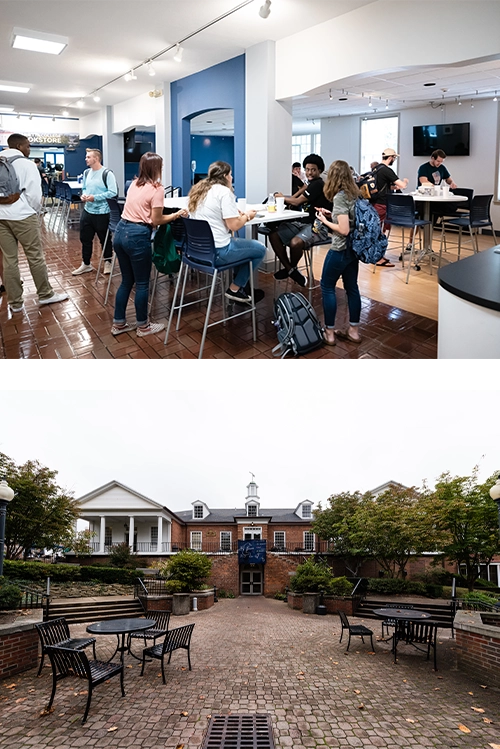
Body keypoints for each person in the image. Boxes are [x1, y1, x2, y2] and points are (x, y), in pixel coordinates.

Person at [111, 152, 187, 338]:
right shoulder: (157, 189)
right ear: (156, 169)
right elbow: (157, 220)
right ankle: (143, 326)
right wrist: (177, 215)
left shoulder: (133, 184)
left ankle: (119, 323)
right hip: (137, 236)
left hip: (120, 232)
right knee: (143, 283)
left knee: (127, 281)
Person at [0, 133, 68, 313]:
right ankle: (45, 294)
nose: (29, 149)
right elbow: (35, 196)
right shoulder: (27, 165)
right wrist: (32, 210)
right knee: (35, 256)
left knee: (9, 260)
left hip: (1, 217)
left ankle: (15, 303)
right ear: (20, 146)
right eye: (28, 146)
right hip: (23, 216)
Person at [188, 160, 266, 304]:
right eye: (230, 175)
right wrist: (248, 216)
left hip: (196, 252)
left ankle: (241, 290)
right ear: (225, 176)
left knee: (241, 248)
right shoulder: (224, 192)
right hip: (218, 253)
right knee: (260, 249)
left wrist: (233, 214)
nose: (232, 178)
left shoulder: (199, 191)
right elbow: (234, 226)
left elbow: (213, 217)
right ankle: (235, 288)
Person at [315, 160, 362, 347]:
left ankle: (330, 332)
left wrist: (324, 222)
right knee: (352, 288)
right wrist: (330, 215)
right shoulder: (356, 194)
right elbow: (349, 221)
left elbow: (343, 230)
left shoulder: (340, 197)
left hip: (340, 249)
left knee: (327, 286)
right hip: (353, 251)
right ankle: (354, 331)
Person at [270, 154, 333, 286]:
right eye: (307, 169)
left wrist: (281, 197)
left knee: (295, 243)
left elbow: (298, 201)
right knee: (274, 235)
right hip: (303, 223)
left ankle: (291, 268)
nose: (309, 172)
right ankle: (291, 270)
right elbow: (297, 197)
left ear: (320, 171)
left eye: (313, 169)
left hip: (318, 226)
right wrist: (295, 193)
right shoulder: (310, 184)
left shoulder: (318, 184)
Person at [72, 148, 118, 276]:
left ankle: (108, 262)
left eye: (88, 157)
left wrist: (95, 197)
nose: (85, 159)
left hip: (103, 212)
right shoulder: (86, 173)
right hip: (88, 211)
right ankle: (86, 264)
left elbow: (113, 192)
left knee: (104, 239)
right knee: (85, 238)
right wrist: (84, 196)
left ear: (96, 159)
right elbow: (85, 188)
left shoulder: (107, 173)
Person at [371, 147, 409, 267]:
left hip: (374, 203)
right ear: (391, 157)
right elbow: (402, 185)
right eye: (394, 158)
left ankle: (378, 255)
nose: (394, 160)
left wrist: (394, 187)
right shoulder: (387, 170)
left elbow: (385, 187)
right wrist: (405, 182)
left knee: (378, 230)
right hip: (383, 204)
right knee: (380, 231)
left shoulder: (376, 169)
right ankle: (378, 257)